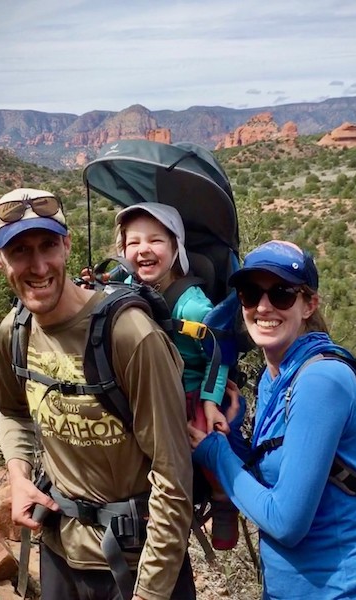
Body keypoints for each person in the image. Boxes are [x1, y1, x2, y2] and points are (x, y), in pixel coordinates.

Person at [0, 188, 195, 600]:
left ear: (66, 245)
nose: (39, 265)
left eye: (48, 245)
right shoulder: (15, 331)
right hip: (59, 553)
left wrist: (150, 594)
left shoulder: (129, 335)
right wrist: (18, 476)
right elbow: (12, 412)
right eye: (20, 250)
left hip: (136, 563)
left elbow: (173, 478)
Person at [188, 240, 356, 599]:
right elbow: (270, 484)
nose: (264, 306)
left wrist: (216, 453)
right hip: (289, 587)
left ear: (309, 304)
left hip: (343, 587)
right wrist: (233, 436)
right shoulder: (274, 377)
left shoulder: (320, 381)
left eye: (281, 294)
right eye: (251, 293)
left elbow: (286, 522)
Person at [114, 203, 240, 551]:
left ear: (175, 249)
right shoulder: (120, 289)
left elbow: (218, 354)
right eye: (133, 242)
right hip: (141, 392)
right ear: (122, 250)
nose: (144, 250)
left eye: (156, 241)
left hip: (187, 392)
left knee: (207, 434)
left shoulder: (192, 304)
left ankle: (220, 496)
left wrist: (212, 401)